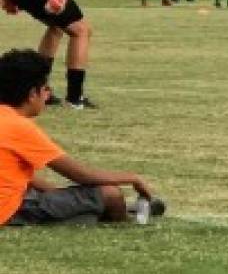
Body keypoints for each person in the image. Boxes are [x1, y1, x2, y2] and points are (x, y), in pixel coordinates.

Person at [0, 49, 161, 226]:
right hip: (11, 210)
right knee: (109, 193)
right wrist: (132, 177)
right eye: (46, 89)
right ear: (32, 94)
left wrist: (57, 193)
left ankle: (118, 210)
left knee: (79, 202)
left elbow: (17, 175)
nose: (48, 95)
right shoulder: (19, 127)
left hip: (19, 197)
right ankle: (128, 219)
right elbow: (82, 175)